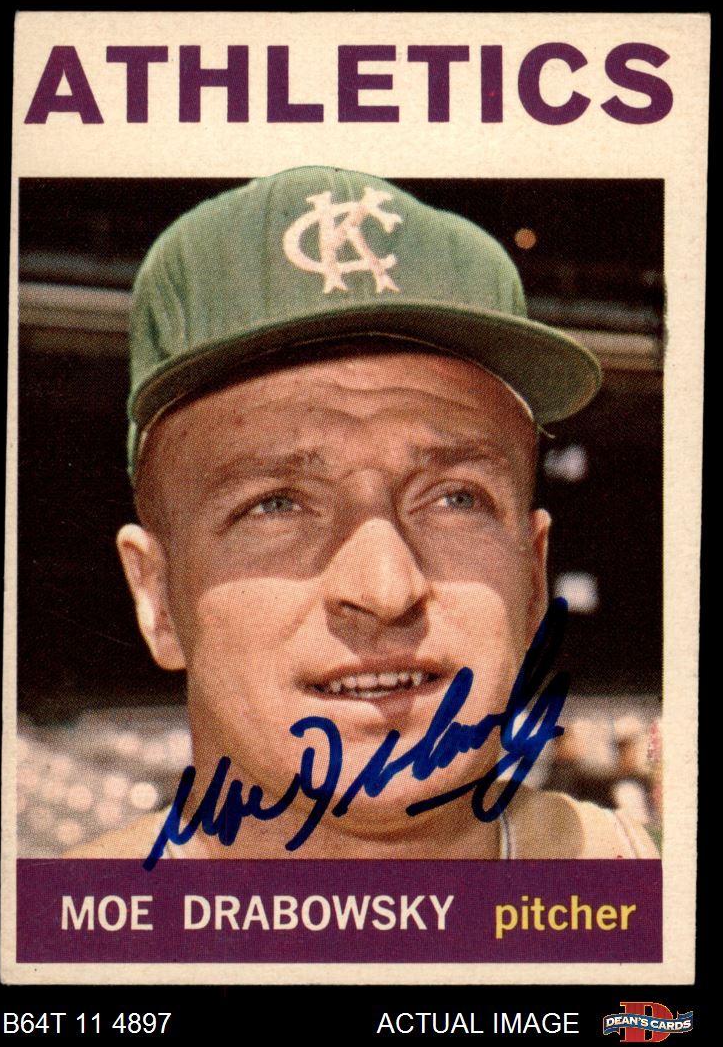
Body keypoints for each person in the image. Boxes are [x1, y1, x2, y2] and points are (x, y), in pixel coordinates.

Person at [67, 166, 658, 860]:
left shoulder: (659, 896)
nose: (384, 589)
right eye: (276, 504)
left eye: (455, 498)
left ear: (533, 578)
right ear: (157, 597)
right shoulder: (56, 921)